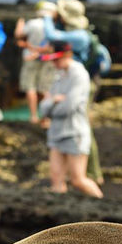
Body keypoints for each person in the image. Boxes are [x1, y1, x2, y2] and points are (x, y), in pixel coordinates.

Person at [40, 0, 104, 185]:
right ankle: (81, 174)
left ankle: (92, 173)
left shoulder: (78, 36)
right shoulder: (73, 34)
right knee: (80, 125)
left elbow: (52, 35)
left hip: (80, 84)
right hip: (69, 81)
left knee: (82, 127)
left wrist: (46, 18)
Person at [38, 41, 103, 198]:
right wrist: (53, 101)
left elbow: (69, 107)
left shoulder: (79, 74)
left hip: (75, 133)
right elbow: (43, 108)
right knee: (56, 181)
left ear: (68, 55)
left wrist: (51, 105)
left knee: (78, 180)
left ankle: (106, 216)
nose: (54, 62)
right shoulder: (60, 75)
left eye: (56, 59)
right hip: (56, 133)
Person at [14, 1, 57, 123]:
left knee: (30, 86)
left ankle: (33, 116)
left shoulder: (32, 23)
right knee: (45, 88)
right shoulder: (53, 25)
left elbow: (18, 35)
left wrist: (20, 22)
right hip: (48, 59)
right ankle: (46, 118)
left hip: (30, 58)